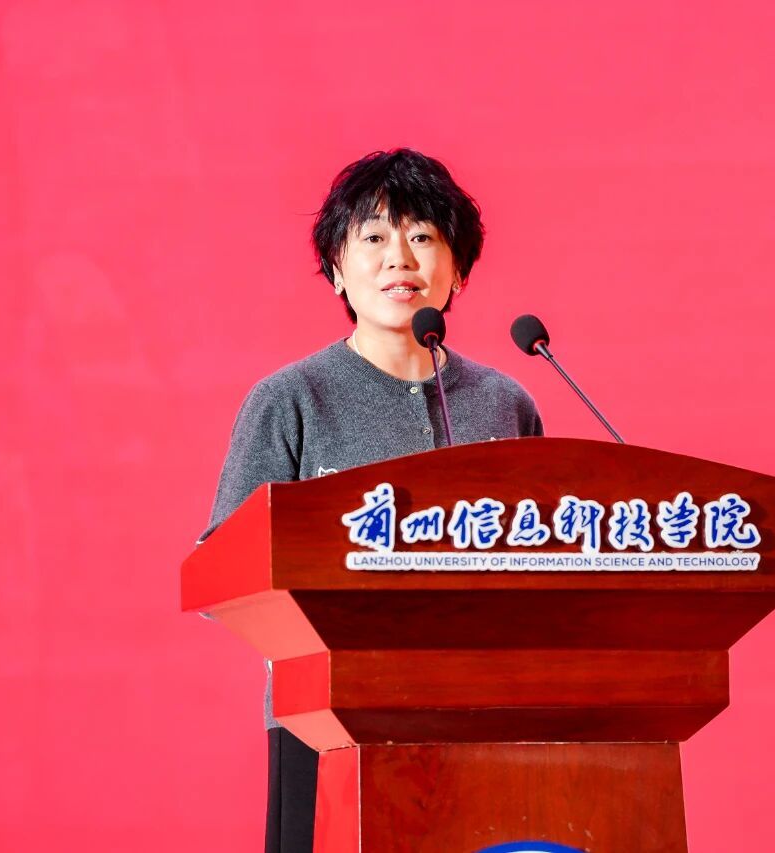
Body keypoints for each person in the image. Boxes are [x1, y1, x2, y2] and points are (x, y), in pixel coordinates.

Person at [197, 148, 544, 853]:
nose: (399, 260)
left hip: (485, 717)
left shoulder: (505, 404)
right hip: (327, 722)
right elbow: (221, 573)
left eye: (423, 237)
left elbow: (550, 561)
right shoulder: (291, 400)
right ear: (337, 269)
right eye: (375, 237)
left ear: (458, 269)